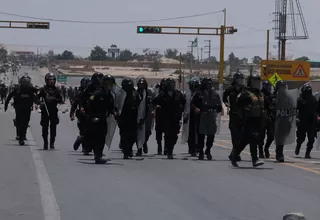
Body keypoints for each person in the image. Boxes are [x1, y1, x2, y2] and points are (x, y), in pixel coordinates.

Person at [231, 74, 266, 167]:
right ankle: (255, 159)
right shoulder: (245, 94)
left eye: (259, 82)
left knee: (244, 141)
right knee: (253, 138)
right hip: (249, 120)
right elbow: (238, 106)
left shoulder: (260, 94)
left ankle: (234, 155)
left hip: (258, 120)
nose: (257, 84)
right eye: (255, 82)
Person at [84, 75, 115, 164]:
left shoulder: (109, 95)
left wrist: (115, 113)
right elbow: (89, 105)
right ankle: (83, 140)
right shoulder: (97, 94)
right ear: (105, 84)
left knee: (101, 138)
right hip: (94, 119)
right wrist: (93, 116)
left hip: (103, 119)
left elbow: (111, 107)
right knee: (92, 138)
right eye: (110, 84)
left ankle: (98, 156)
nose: (111, 86)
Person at [152, 78, 186, 159]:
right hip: (166, 118)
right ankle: (168, 150)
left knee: (174, 136)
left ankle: (170, 148)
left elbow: (185, 103)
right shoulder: (162, 94)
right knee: (167, 134)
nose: (171, 85)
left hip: (176, 118)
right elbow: (154, 102)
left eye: (172, 83)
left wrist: (183, 113)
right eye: (169, 84)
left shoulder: (178, 94)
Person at [191, 77, 222, 160]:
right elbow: (193, 103)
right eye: (207, 83)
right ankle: (200, 151)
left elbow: (219, 106)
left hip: (212, 116)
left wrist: (219, 109)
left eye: (210, 83)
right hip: (202, 116)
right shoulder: (199, 93)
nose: (209, 85)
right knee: (201, 135)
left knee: (211, 135)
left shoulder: (215, 94)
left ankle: (208, 150)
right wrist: (196, 108)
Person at [4, 75, 37, 145]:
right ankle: (20, 136)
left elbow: (35, 97)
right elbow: (10, 96)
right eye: (24, 82)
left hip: (28, 109)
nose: (26, 83)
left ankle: (23, 134)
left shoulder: (31, 89)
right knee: (19, 122)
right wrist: (6, 105)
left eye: (27, 82)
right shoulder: (18, 89)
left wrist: (40, 103)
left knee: (26, 122)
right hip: (19, 108)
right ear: (21, 82)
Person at [36, 73, 63, 150]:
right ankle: (45, 142)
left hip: (53, 111)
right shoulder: (42, 89)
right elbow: (36, 98)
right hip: (45, 111)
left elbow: (61, 100)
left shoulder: (57, 90)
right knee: (44, 127)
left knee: (53, 128)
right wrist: (40, 103)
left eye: (53, 80)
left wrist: (53, 99)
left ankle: (52, 142)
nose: (51, 81)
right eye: (50, 80)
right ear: (46, 80)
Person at [223, 72, 245, 162]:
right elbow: (224, 98)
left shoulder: (244, 90)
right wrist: (226, 104)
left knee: (241, 136)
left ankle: (235, 153)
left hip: (243, 115)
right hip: (234, 115)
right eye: (239, 79)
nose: (241, 81)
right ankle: (235, 153)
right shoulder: (230, 89)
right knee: (234, 135)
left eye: (242, 79)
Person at [117, 78, 141, 159]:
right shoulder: (120, 93)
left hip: (133, 117)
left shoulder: (136, 93)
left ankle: (129, 148)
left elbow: (140, 104)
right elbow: (116, 103)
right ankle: (126, 151)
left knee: (133, 136)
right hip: (123, 117)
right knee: (124, 135)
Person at [295, 84, 318, 158]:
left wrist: (317, 118)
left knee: (311, 139)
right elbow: (295, 110)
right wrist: (296, 118)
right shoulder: (300, 100)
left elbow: (317, 110)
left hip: (311, 122)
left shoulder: (313, 99)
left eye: (310, 91)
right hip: (302, 121)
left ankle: (307, 153)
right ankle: (298, 146)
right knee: (301, 138)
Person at [70, 77, 90, 152]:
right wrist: (72, 114)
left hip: (91, 114)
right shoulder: (80, 93)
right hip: (82, 116)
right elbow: (74, 104)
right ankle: (84, 147)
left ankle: (85, 143)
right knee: (83, 131)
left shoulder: (92, 92)